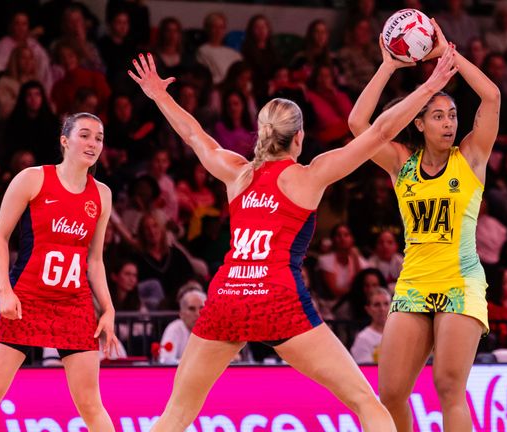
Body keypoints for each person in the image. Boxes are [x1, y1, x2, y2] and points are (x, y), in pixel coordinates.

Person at [129, 45, 457, 430]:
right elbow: (381, 131)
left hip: (228, 297)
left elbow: (193, 134)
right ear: (299, 136)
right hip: (277, 300)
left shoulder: (237, 172)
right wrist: (429, 85)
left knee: (177, 412)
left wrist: (159, 95)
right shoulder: (309, 176)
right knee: (365, 402)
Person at [348, 20, 500, 430]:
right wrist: (388, 66)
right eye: (438, 116)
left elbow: (491, 95)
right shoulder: (401, 163)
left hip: (460, 282)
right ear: (419, 123)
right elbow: (358, 125)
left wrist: (447, 55)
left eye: (452, 115)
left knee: (448, 387)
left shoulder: (471, 156)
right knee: (391, 392)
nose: (449, 123)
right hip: (413, 282)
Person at [0, 113, 118, 428]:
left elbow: (95, 260)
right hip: (26, 299)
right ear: (64, 140)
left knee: (91, 404)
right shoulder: (32, 178)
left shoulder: (102, 194)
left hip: (74, 304)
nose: (92, 143)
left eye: (98, 138)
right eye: (84, 135)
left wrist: (108, 308)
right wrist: (5, 290)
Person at [158, 288, 207, 365]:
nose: (197, 314)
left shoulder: (214, 329)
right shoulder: (174, 329)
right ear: (181, 314)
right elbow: (165, 360)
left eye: (202, 308)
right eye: (192, 309)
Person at [350, 287, 392, 364]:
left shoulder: (401, 334)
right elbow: (366, 369)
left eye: (386, 304)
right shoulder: (363, 338)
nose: (382, 309)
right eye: (377, 305)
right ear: (368, 309)